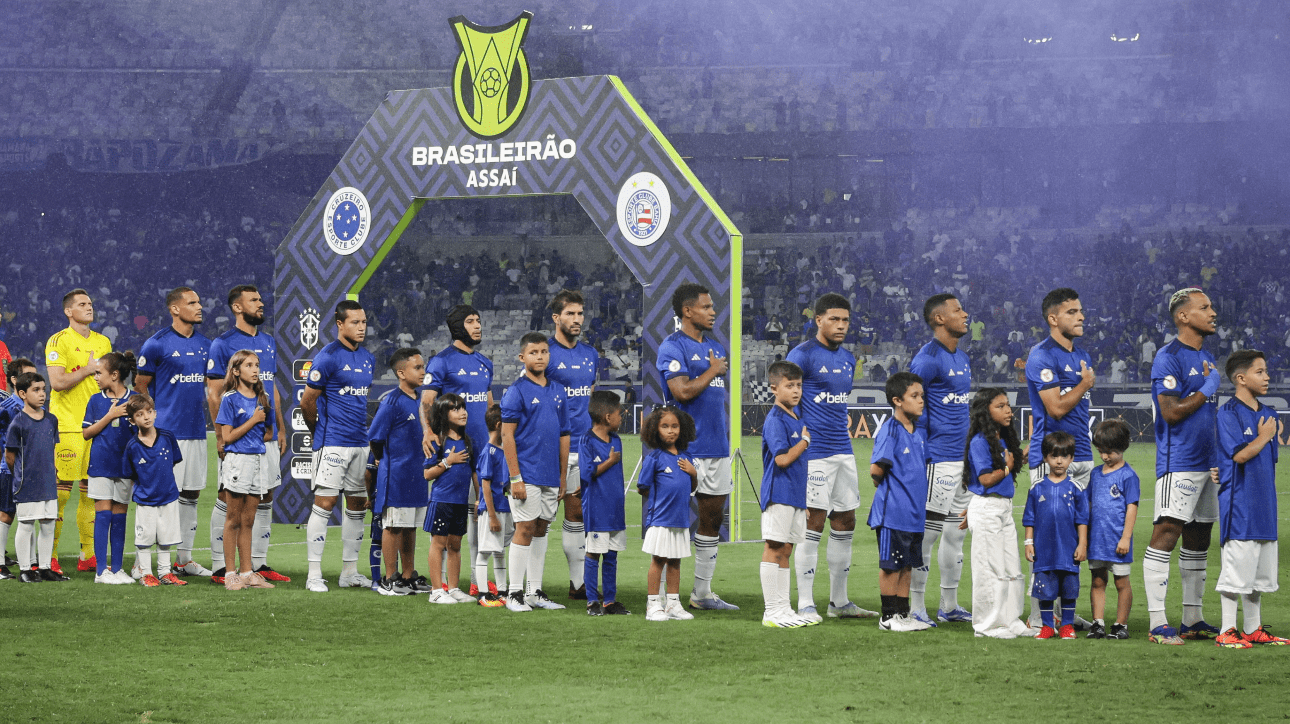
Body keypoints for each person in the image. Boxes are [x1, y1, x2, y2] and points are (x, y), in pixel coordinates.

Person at [787, 293, 874, 622]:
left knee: (845, 521)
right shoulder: (803, 354)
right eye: (834, 319)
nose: (841, 325)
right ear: (818, 320)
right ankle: (806, 602)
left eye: (845, 320)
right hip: (815, 454)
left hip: (843, 450)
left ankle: (839, 603)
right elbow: (788, 402)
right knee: (814, 523)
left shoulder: (849, 359)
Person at [1144, 288, 1222, 645]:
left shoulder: (1205, 356)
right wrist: (1207, 388)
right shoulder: (1168, 356)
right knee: (1167, 533)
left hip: (1209, 463)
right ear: (1183, 316)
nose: (1213, 312)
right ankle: (1158, 623)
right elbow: (1171, 412)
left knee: (1199, 538)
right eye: (1204, 307)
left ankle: (1193, 619)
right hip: (1180, 462)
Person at [656, 283, 738, 611]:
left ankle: (701, 593)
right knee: (671, 522)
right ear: (687, 311)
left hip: (716, 448)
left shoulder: (715, 347)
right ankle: (661, 596)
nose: (713, 311)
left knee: (712, 519)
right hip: (684, 451)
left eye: (712, 307)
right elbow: (682, 392)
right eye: (706, 307)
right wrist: (713, 370)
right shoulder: (672, 347)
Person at [205, 285, 289, 584]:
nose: (261, 303)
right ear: (238, 307)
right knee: (229, 500)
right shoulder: (223, 343)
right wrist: (220, 435)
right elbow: (215, 393)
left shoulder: (267, 342)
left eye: (261, 299)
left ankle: (256, 565)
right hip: (238, 439)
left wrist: (279, 426)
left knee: (264, 495)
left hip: (263, 437)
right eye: (254, 300)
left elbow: (271, 389)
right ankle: (220, 566)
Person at [1023, 288, 1096, 628]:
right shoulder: (1042, 355)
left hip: (1082, 457)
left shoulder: (1080, 354)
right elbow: (1055, 407)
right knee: (1045, 534)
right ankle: (1039, 616)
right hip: (1050, 458)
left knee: (1073, 536)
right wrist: (1083, 384)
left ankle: (1065, 611)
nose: (1080, 316)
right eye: (1072, 312)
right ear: (1053, 319)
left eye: (1080, 311)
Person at [1213, 349, 1289, 647]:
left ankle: (1253, 628)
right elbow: (1240, 455)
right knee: (1236, 570)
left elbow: (1264, 462)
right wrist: (1263, 437)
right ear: (1241, 378)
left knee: (1257, 572)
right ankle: (1226, 630)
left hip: (1264, 504)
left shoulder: (1269, 415)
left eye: (1266, 371)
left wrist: (1264, 436)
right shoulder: (1228, 413)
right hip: (1239, 503)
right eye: (1260, 371)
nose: (1267, 376)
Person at [135, 287, 212, 578]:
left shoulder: (207, 344)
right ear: (175, 309)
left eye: (199, 301)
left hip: (196, 431)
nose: (199, 306)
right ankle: (140, 563)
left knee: (191, 494)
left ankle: (184, 560)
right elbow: (140, 387)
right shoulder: (157, 344)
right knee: (163, 496)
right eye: (192, 302)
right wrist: (152, 420)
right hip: (167, 433)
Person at [908, 293, 973, 625]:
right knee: (928, 534)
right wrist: (921, 456)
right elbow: (909, 408)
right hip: (938, 459)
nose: (965, 314)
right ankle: (916, 606)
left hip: (963, 460)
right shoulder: (927, 360)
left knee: (956, 534)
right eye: (957, 310)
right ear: (939, 319)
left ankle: (949, 605)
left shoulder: (962, 358)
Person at [300, 300, 374, 593]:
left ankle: (349, 572)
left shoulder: (368, 358)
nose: (361, 328)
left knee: (357, 506)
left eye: (364, 322)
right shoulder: (327, 357)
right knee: (326, 504)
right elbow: (307, 401)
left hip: (360, 442)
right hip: (332, 444)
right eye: (355, 322)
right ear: (340, 324)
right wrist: (318, 432)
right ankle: (314, 574)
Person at [419, 304, 492, 596]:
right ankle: (448, 586)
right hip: (455, 451)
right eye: (471, 321)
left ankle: (476, 580)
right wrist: (427, 431)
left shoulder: (486, 363)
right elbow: (426, 400)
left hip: (482, 450)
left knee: (479, 515)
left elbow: (488, 406)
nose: (477, 326)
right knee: (452, 521)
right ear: (458, 327)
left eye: (478, 320)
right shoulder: (441, 362)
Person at [500, 332, 570, 612]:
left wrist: (563, 475)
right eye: (533, 353)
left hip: (551, 474)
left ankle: (534, 592)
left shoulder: (558, 391)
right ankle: (514, 594)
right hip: (526, 474)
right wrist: (515, 477)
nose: (539, 357)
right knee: (525, 528)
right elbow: (507, 436)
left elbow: (564, 435)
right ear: (522, 357)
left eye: (544, 352)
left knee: (541, 529)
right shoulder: (517, 391)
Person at [45, 289, 113, 574]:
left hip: (96, 426)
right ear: (68, 311)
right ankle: (50, 555)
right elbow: (58, 382)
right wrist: (87, 370)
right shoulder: (58, 340)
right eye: (82, 304)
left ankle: (88, 554)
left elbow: (109, 379)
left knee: (91, 492)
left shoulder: (103, 341)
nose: (89, 308)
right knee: (60, 494)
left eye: (90, 303)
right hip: (67, 426)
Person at [963, 388, 1030, 639]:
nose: (1008, 410)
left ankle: (1010, 620)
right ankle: (986, 626)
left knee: (1011, 566)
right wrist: (1007, 468)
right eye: (1000, 406)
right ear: (985, 411)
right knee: (989, 569)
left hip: (1003, 508)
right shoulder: (980, 441)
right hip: (988, 507)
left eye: (1008, 405)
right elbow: (986, 479)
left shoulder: (1001, 439)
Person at [868, 371, 932, 632]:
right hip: (893, 513)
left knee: (907, 565)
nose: (920, 401)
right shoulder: (890, 430)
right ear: (897, 400)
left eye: (922, 396)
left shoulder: (917, 432)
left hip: (914, 514)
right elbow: (875, 471)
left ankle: (903, 615)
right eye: (914, 396)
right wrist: (895, 495)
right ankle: (887, 617)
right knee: (891, 566)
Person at [545, 289, 598, 600]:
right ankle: (520, 584)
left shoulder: (590, 354)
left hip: (584, 448)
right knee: (537, 520)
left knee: (576, 514)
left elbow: (588, 397)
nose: (577, 320)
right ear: (557, 318)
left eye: (580, 314)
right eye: (570, 314)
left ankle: (577, 584)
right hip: (551, 448)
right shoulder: (545, 353)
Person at [758, 361, 817, 629]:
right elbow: (782, 460)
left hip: (794, 496)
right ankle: (771, 611)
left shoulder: (796, 417)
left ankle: (784, 609)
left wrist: (803, 502)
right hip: (778, 493)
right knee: (774, 548)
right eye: (789, 385)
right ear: (774, 388)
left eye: (798, 386)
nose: (795, 391)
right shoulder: (776, 419)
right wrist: (804, 443)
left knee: (786, 550)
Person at [369, 348, 430, 596]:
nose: (423, 371)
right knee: (393, 525)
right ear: (401, 373)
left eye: (423, 366)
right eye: (418, 368)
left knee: (410, 526)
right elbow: (375, 437)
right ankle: (389, 578)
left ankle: (408, 576)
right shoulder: (391, 402)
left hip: (418, 475)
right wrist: (388, 462)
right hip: (396, 475)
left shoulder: (422, 401)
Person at [213, 350, 275, 591]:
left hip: (257, 460)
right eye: (249, 365)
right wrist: (252, 422)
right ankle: (231, 573)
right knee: (233, 519)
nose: (256, 369)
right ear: (236, 371)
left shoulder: (263, 397)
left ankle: (247, 572)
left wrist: (257, 433)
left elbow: (269, 431)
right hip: (238, 462)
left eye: (257, 365)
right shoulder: (230, 399)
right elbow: (226, 437)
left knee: (249, 520)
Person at [1022, 432, 1089, 640]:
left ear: (1071, 459)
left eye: (1064, 456)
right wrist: (1028, 542)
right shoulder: (1036, 488)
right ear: (1045, 458)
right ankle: (1047, 626)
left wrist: (1083, 544)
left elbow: (1082, 519)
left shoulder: (1076, 488)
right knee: (1045, 589)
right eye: (1054, 456)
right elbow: (1029, 518)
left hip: (1068, 548)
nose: (1059, 461)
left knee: (1069, 589)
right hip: (1044, 549)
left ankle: (1067, 626)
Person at [81, 352, 138, 584]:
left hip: (125, 467)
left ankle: (117, 569)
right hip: (101, 465)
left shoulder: (135, 400)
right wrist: (110, 415)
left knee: (120, 517)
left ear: (114, 375)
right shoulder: (96, 400)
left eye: (98, 373)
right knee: (103, 514)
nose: (95, 377)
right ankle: (100, 571)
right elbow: (86, 433)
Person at [638, 405, 698, 622]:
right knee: (659, 560)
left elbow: (692, 487)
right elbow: (642, 486)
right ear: (655, 429)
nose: (671, 431)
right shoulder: (654, 458)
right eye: (665, 426)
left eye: (675, 426)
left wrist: (693, 473)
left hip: (681, 519)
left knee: (676, 561)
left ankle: (673, 604)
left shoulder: (686, 457)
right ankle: (653, 604)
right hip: (661, 519)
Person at [5, 372, 66, 583]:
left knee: (49, 524)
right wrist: (22, 476)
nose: (42, 394)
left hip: (48, 481)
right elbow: (10, 456)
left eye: (43, 389)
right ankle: (25, 570)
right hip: (26, 483)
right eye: (36, 390)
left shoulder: (51, 420)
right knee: (27, 524)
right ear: (22, 394)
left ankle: (45, 568)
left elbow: (50, 449)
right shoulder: (18, 423)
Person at [121, 394, 187, 587]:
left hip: (168, 497)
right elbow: (130, 473)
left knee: (166, 537)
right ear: (133, 421)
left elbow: (173, 461)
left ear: (155, 413)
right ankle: (146, 573)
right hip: (145, 500)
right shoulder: (132, 446)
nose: (147, 417)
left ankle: (165, 573)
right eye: (140, 414)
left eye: (149, 412)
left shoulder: (167, 437)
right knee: (145, 538)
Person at [1086, 419, 1139, 639]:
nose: (1105, 456)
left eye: (1110, 452)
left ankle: (1120, 625)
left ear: (1123, 447)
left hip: (1118, 540)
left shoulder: (1128, 476)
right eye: (1101, 452)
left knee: (1121, 582)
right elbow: (1088, 505)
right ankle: (1097, 623)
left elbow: (1132, 507)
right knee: (1097, 580)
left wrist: (1126, 538)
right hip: (1097, 539)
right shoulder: (1096, 474)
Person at [423, 393, 477, 604]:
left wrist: (478, 497)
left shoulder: (468, 441)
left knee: (455, 544)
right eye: (455, 409)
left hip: (460, 502)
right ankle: (436, 590)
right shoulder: (437, 440)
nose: (462, 412)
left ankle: (453, 588)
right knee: (439, 543)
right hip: (442, 500)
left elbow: (474, 472)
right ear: (443, 414)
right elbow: (427, 474)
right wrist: (448, 461)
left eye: (463, 408)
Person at [578, 390, 629, 616]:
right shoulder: (586, 440)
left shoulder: (616, 439)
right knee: (593, 554)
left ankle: (609, 600)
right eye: (619, 413)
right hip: (597, 509)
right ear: (608, 417)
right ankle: (592, 601)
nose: (622, 416)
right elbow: (587, 473)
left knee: (612, 555)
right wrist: (609, 461)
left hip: (615, 508)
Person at [0, 358, 38, 577]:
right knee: (6, 514)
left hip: (31, 469)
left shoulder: (33, 406)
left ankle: (32, 563)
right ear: (14, 380)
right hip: (9, 468)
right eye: (28, 376)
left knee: (28, 514)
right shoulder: (7, 407)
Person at [473, 404, 511, 607]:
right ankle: (483, 594)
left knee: (499, 551)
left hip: (503, 507)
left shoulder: (502, 450)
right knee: (485, 551)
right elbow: (484, 485)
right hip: (492, 510)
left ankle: (502, 591)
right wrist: (492, 515)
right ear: (499, 425)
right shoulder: (489, 452)